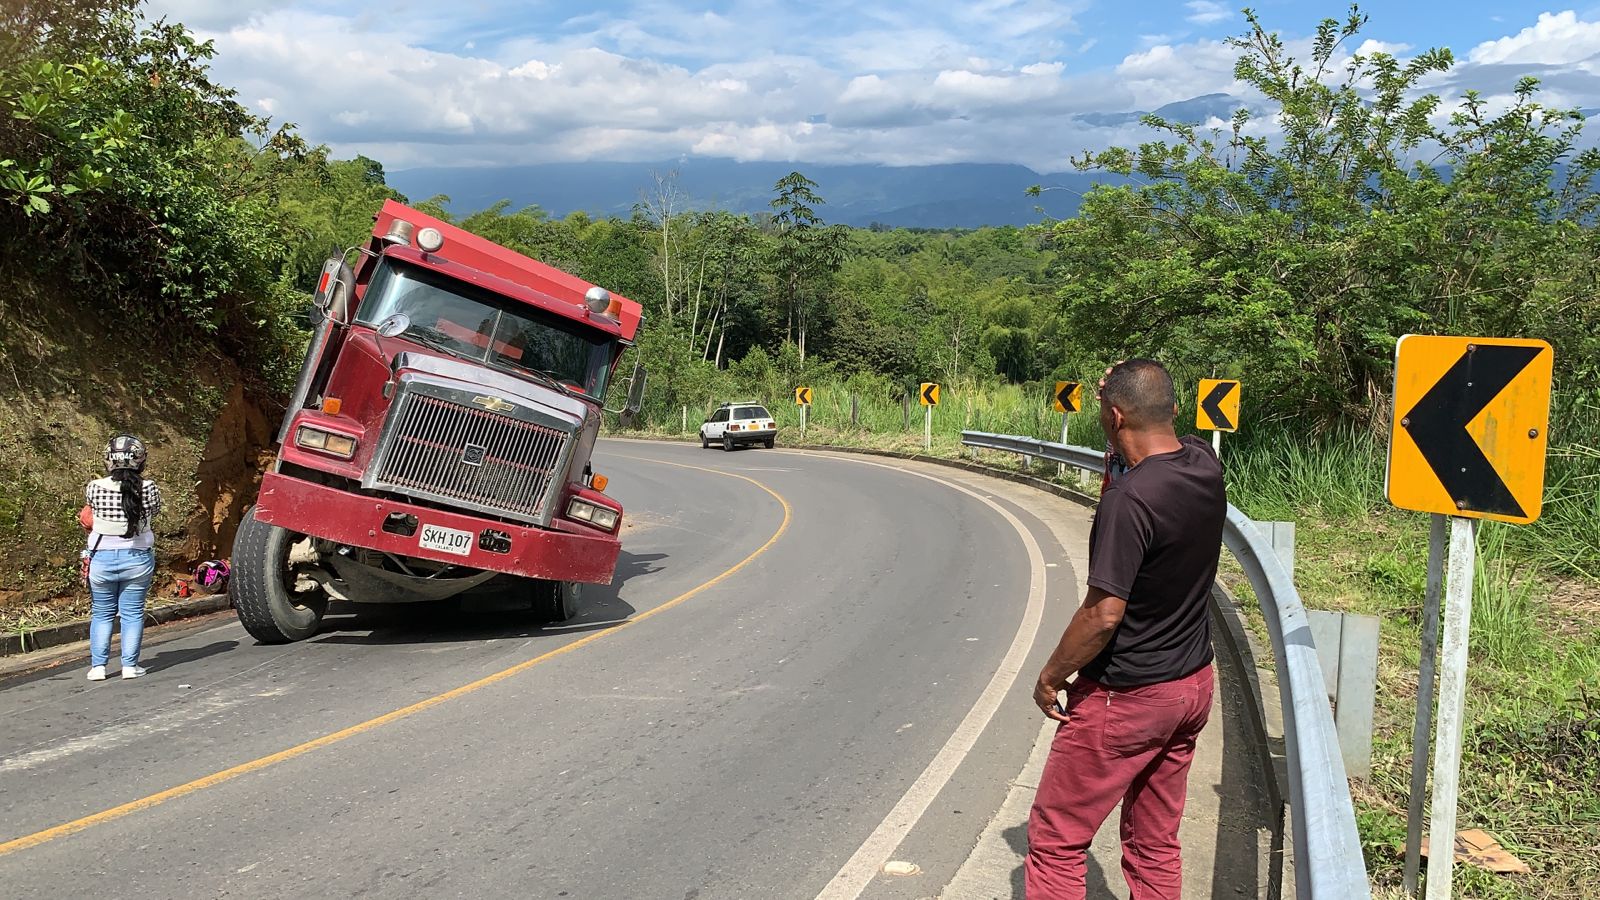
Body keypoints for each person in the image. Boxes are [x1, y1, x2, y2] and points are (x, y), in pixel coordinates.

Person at [1025, 359, 1227, 900]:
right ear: (1175, 411)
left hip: (1127, 698)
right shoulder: (1205, 465)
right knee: (1155, 840)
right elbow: (1149, 450)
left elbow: (1103, 613)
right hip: (1191, 687)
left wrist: (1050, 675)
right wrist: (1120, 417)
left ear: (1113, 417)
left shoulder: (1128, 500)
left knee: (1056, 842)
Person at [83, 434, 162, 681]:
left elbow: (89, 515)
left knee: (102, 613)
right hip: (137, 559)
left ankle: (98, 667)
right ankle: (129, 666)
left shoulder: (94, 487)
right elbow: (155, 512)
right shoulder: (149, 488)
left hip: (101, 560)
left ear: (109, 460)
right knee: (132, 613)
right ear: (140, 461)